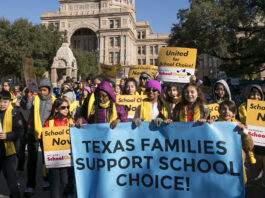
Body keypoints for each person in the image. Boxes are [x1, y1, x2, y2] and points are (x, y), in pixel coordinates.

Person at [23, 78, 56, 197]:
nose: (42, 93)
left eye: (45, 90)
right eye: (40, 90)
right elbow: (26, 108)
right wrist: (27, 97)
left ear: (49, 90)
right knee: (32, 160)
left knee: (46, 158)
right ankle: (30, 185)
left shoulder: (54, 101)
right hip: (33, 133)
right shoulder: (34, 99)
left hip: (47, 134)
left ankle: (46, 179)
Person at [216, 100, 256, 183]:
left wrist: (245, 133)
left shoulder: (239, 125)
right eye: (224, 109)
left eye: (230, 109)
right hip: (218, 164)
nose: (227, 111)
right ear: (219, 111)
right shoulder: (213, 125)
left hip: (235, 165)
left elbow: (249, 146)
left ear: (234, 113)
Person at [43, 98, 74, 198]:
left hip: (67, 159)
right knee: (55, 185)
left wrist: (75, 128)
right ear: (56, 109)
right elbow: (45, 139)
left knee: (66, 182)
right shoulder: (49, 123)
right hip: (54, 160)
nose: (66, 109)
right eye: (63, 107)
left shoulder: (70, 122)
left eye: (68, 107)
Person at [238, 84, 265, 186]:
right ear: (247, 95)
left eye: (258, 95)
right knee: (253, 179)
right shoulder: (241, 108)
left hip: (264, 145)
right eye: (253, 95)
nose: (256, 97)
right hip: (252, 148)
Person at [0, 91, 23, 198]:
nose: (2, 104)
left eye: (5, 102)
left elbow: (19, 131)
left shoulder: (14, 113)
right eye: (0, 102)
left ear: (9, 102)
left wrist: (7, 136)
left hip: (9, 153)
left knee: (11, 180)